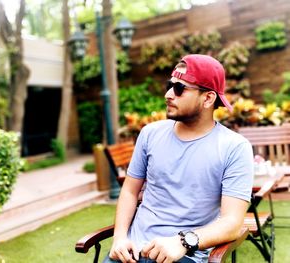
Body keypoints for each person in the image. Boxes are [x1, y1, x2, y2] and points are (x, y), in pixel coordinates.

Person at [104, 54, 254, 263]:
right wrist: (119, 237)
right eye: (170, 85)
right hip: (131, 251)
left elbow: (232, 222)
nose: (167, 94)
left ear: (208, 99)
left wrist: (183, 242)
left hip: (184, 256)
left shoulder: (235, 148)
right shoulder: (150, 134)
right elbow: (130, 190)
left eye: (179, 88)